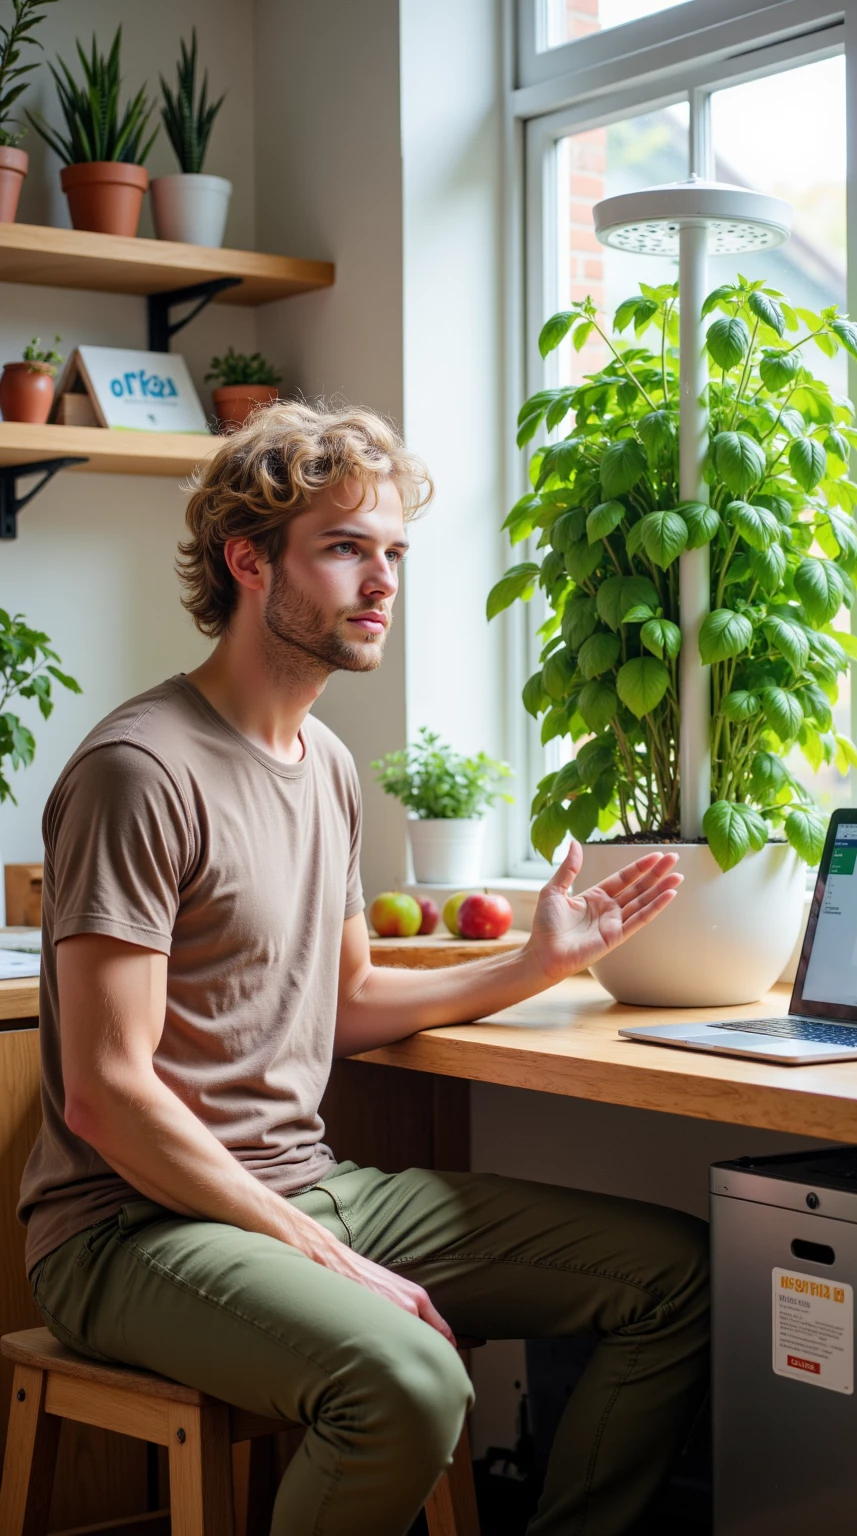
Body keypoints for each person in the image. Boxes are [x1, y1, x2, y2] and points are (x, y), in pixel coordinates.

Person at [19, 403, 709, 1536]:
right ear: (250, 562)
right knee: (409, 1381)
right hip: (127, 1232)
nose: (381, 581)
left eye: (392, 554)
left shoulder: (326, 763)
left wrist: (535, 961)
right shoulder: (140, 770)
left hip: (302, 1186)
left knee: (674, 1277)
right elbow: (106, 1093)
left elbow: (348, 1003)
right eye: (345, 549)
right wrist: (317, 1251)